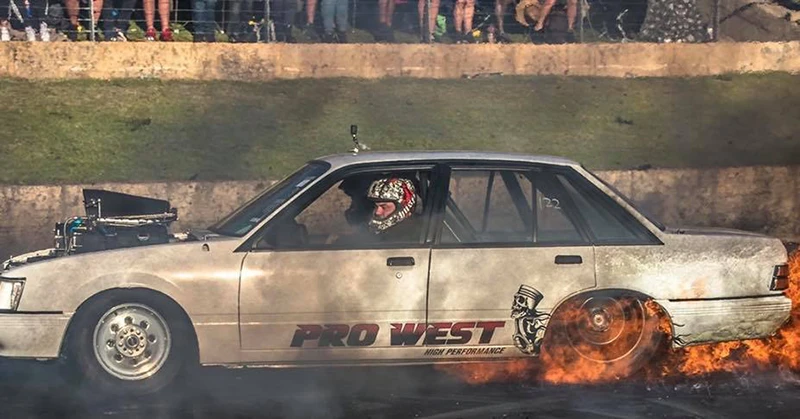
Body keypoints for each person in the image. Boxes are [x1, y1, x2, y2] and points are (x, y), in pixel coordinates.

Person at [366, 177, 423, 242]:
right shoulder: (372, 228)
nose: (378, 212)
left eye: (384, 207)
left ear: (403, 206)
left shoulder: (411, 236)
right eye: (376, 206)